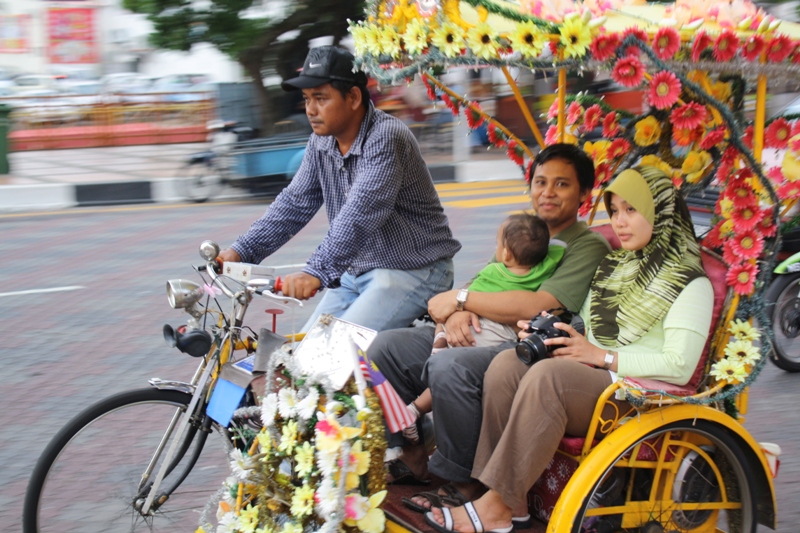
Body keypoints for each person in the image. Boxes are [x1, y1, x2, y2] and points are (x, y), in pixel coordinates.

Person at [424, 166, 714, 533]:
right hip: (595, 374)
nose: (620, 222)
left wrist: (601, 356)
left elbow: (680, 366)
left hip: (639, 393)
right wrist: (552, 331)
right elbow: (590, 328)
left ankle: (494, 506)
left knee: (549, 377)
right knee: (507, 365)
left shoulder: (690, 283)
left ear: (660, 213)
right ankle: (504, 500)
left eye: (631, 210)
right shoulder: (614, 266)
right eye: (615, 211)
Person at [367, 144, 610, 503]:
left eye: (562, 184)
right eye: (541, 182)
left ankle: (466, 479)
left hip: (523, 344)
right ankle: (412, 452)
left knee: (449, 365)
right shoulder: (521, 229)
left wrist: (464, 301)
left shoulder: (586, 246)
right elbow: (484, 281)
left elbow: (539, 303)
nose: (547, 192)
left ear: (584, 193)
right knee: (386, 348)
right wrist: (459, 311)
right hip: (478, 327)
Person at [217, 46, 461, 332]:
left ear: (354, 97)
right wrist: (241, 251)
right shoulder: (321, 143)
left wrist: (315, 272)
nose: (310, 110)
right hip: (354, 273)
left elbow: (361, 212)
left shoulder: (385, 137)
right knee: (302, 357)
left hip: (415, 270)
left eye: (321, 98)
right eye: (307, 99)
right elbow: (294, 203)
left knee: (334, 355)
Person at [403, 213, 566, 444]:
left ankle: (414, 410)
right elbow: (557, 249)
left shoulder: (493, 273)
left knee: (445, 362)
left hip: (482, 331)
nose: (496, 248)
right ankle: (416, 408)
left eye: (498, 243)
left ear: (507, 253)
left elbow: (464, 299)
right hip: (509, 335)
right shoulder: (546, 266)